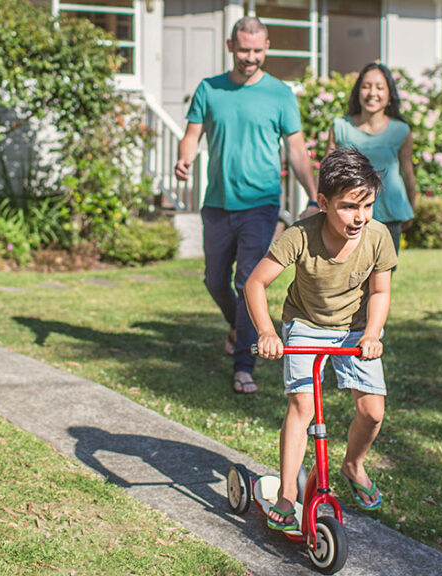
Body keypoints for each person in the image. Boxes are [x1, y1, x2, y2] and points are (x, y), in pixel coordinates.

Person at [244, 147, 396, 531]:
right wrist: (266, 331)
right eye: (348, 207)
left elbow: (379, 293)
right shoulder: (300, 235)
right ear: (323, 202)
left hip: (356, 328)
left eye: (368, 206)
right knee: (302, 408)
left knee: (373, 412)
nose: (360, 217)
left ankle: (352, 464)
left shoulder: (377, 237)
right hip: (306, 323)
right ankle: (288, 495)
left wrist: (373, 334)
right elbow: (256, 283)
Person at [174, 16, 318, 394]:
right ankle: (239, 326)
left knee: (246, 280)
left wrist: (314, 195)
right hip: (218, 202)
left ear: (266, 47)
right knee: (215, 280)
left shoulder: (280, 94)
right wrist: (184, 158)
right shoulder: (209, 89)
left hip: (261, 203)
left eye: (256, 50)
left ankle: (244, 365)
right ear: (230, 46)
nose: (250, 57)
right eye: (243, 50)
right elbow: (191, 136)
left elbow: (298, 151)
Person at [325, 62, 417, 254]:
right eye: (366, 86)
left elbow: (407, 172)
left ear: (389, 94)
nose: (372, 93)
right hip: (349, 215)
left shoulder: (401, 131)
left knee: (383, 276)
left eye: (379, 87)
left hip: (390, 215)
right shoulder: (341, 127)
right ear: (358, 91)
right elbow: (327, 171)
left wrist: (410, 207)